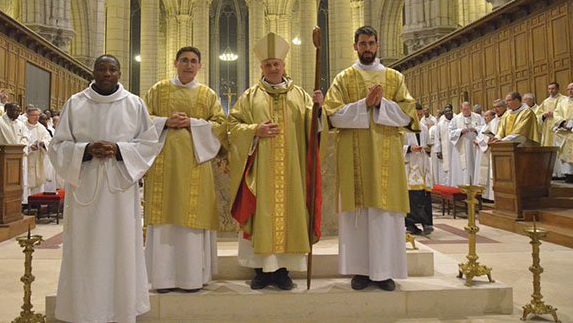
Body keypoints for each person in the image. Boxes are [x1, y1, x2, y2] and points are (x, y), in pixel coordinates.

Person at [49, 55, 159, 323]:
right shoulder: (75, 103)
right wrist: (84, 150)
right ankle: (84, 311)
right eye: (102, 69)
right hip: (85, 187)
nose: (107, 74)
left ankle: (121, 311)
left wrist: (119, 150)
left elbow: (149, 144)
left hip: (119, 191)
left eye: (112, 69)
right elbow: (58, 146)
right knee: (84, 249)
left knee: (121, 249)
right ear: (94, 72)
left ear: (120, 73)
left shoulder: (134, 104)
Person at [324, 25, 419, 292]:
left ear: (377, 45)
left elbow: (409, 117)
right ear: (355, 46)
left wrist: (381, 105)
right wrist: (363, 104)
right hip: (353, 159)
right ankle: (361, 271)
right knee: (359, 217)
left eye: (371, 43)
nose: (367, 48)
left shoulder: (394, 77)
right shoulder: (343, 79)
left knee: (384, 215)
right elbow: (331, 116)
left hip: (386, 158)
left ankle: (384, 271)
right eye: (363, 43)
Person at [229, 32, 324, 291]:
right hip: (260, 173)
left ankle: (282, 271)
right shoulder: (250, 96)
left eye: (276, 64)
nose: (273, 68)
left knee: (290, 216)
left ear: (284, 66)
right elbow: (232, 126)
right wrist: (254, 131)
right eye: (268, 64)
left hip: (292, 171)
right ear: (261, 67)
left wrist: (319, 109)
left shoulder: (301, 96)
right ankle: (261, 271)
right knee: (261, 217)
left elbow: (314, 129)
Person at [142, 46, 227, 293]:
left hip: (195, 167)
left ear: (200, 66)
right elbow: (140, 120)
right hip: (162, 168)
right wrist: (164, 122)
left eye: (193, 61)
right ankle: (163, 279)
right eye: (184, 60)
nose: (189, 65)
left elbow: (220, 125)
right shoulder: (158, 90)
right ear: (175, 62)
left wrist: (192, 123)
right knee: (164, 219)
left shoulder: (207, 94)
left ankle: (192, 278)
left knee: (191, 221)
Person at [404, 104, 433, 236]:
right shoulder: (403, 127)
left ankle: (427, 223)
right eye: (417, 115)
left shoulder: (423, 128)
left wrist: (428, 149)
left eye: (421, 115)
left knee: (424, 195)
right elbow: (396, 146)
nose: (419, 117)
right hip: (409, 165)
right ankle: (411, 224)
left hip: (422, 164)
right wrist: (409, 148)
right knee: (412, 197)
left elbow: (428, 143)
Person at [448, 102, 484, 186]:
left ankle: (476, 186)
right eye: (464, 110)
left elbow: (484, 128)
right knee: (464, 167)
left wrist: (475, 129)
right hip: (462, 146)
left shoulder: (478, 117)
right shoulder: (456, 119)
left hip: (474, 146)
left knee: (475, 165)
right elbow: (450, 133)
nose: (466, 111)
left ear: (470, 108)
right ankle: (464, 185)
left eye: (468, 109)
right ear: (461, 109)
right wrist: (460, 131)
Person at [23, 107, 53, 198]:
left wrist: (44, 143)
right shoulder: (22, 126)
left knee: (38, 180)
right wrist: (29, 147)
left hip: (38, 157)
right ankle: (26, 202)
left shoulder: (41, 128)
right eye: (34, 115)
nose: (37, 117)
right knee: (26, 180)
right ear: (28, 116)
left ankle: (37, 200)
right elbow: (19, 140)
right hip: (27, 157)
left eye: (38, 115)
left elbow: (49, 141)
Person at [473, 110, 496, 200]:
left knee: (488, 174)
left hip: (489, 152)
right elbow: (480, 137)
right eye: (484, 116)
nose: (484, 117)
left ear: (492, 116)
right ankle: (483, 194)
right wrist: (477, 141)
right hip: (481, 152)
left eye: (487, 116)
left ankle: (489, 196)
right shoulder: (484, 127)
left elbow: (488, 139)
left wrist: (478, 142)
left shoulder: (493, 125)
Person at [553, 83, 573, 183]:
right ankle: (568, 176)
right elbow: (556, 114)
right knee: (565, 156)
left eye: (572, 89)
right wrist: (563, 123)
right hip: (565, 133)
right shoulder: (562, 102)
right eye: (568, 89)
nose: (570, 91)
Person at [433, 107, 454, 185]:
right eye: (446, 112)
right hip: (445, 150)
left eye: (450, 111)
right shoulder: (440, 124)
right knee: (445, 170)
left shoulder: (456, 121)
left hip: (455, 149)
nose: (449, 113)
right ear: (444, 114)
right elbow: (437, 138)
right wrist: (438, 150)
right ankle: (446, 185)